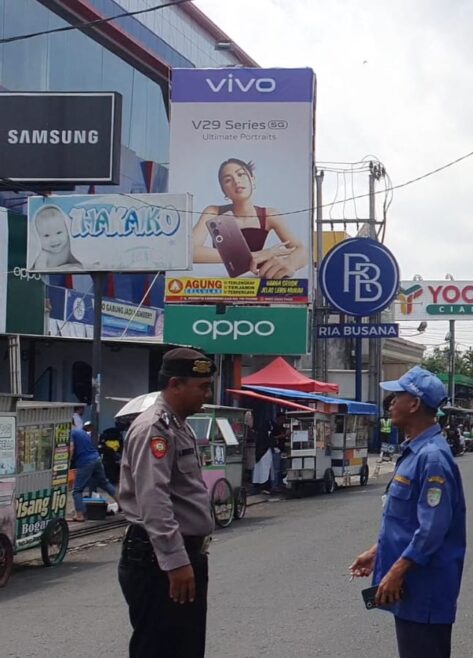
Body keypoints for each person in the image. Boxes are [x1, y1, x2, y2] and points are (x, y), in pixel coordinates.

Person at [350, 367, 466, 658]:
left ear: (414, 404)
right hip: (411, 589)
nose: (390, 403)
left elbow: (432, 529)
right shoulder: (415, 452)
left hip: (425, 592)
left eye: (397, 396)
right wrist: (377, 551)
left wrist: (396, 571)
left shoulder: (432, 458)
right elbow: (409, 521)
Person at [117, 348, 216, 658]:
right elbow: (154, 499)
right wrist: (175, 561)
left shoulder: (178, 426)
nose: (207, 394)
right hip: (158, 561)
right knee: (160, 649)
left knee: (184, 648)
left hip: (180, 555)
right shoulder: (154, 429)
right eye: (202, 387)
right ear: (175, 384)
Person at [190, 158, 307, 279]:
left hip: (256, 280)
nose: (236, 181)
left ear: (252, 179)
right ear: (224, 190)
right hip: (221, 282)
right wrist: (254, 255)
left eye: (241, 174)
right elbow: (189, 252)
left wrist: (290, 263)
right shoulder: (213, 212)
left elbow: (301, 250)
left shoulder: (269, 215)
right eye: (228, 180)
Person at [71, 421, 116, 522]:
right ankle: (124, 506)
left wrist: (68, 462)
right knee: (105, 483)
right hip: (96, 458)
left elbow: (71, 448)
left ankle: (79, 515)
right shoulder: (81, 432)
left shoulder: (71, 433)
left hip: (85, 462)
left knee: (77, 490)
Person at [30, 205, 81, 270]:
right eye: (46, 235)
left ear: (68, 230)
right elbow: (39, 269)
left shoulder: (70, 247)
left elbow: (82, 260)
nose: (54, 240)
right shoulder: (43, 254)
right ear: (36, 236)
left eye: (59, 233)